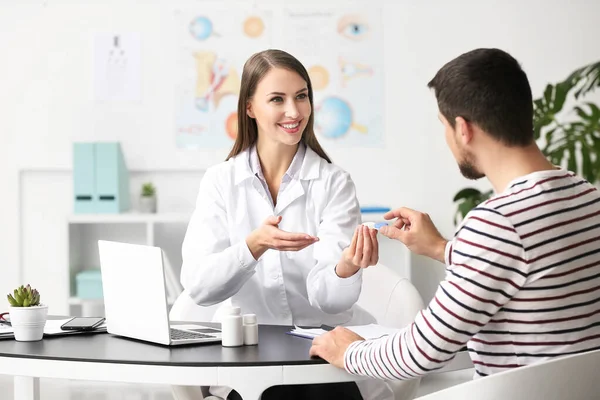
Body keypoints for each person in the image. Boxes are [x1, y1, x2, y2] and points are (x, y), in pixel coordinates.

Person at [310, 48, 600, 382]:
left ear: (463, 129)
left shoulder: (498, 223)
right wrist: (442, 249)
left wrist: (347, 351)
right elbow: (530, 274)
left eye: (444, 126)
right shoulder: (586, 195)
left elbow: (421, 351)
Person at [174, 49, 391, 400]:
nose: (295, 111)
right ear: (249, 107)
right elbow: (200, 287)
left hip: (322, 357)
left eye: (302, 96)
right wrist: (252, 247)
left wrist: (345, 267)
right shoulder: (220, 181)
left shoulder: (334, 182)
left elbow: (330, 302)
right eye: (277, 99)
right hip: (248, 359)